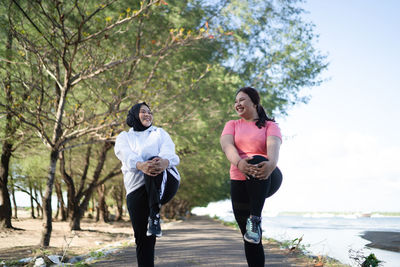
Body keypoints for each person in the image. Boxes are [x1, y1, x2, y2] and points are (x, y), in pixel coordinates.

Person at [220, 87, 283, 267]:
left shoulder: (270, 125)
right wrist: (240, 164)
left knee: (255, 159)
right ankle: (253, 227)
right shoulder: (232, 125)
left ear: (254, 103)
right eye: (235, 101)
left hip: (268, 175)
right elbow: (227, 147)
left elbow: (274, 148)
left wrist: (270, 164)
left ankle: (255, 218)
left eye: (242, 100)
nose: (237, 104)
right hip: (239, 179)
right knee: (250, 238)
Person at [114, 102, 180, 267]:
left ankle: (155, 214)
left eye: (150, 112)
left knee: (154, 161)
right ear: (135, 115)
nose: (148, 115)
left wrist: (164, 162)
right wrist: (139, 165)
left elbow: (169, 152)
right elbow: (125, 154)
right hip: (136, 189)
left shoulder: (159, 133)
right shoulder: (125, 137)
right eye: (143, 112)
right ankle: (153, 217)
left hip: (165, 182)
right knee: (143, 238)